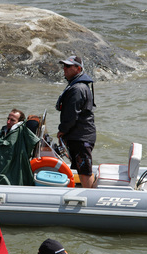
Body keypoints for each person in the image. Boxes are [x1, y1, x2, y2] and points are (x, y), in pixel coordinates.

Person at [56, 56, 96, 188]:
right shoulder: (77, 85)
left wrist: (62, 130)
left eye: (68, 66)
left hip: (81, 137)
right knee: (81, 169)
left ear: (78, 68)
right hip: (79, 135)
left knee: (85, 172)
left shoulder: (77, 88)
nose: (64, 69)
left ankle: (91, 199)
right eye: (64, 66)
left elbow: (71, 114)